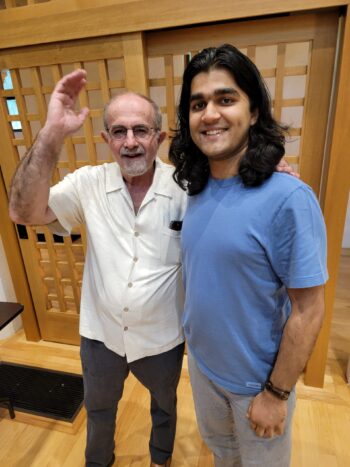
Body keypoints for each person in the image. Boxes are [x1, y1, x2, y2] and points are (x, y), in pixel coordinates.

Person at [8, 69, 187, 467]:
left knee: (165, 406)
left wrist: (273, 171)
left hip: (162, 336)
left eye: (141, 130)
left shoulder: (186, 186)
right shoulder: (88, 183)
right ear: (105, 139)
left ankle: (161, 459)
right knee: (100, 409)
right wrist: (52, 132)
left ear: (159, 137)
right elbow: (22, 212)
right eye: (118, 131)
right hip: (101, 334)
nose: (130, 142)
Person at [169, 44, 328, 467]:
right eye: (198, 103)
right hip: (204, 368)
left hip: (256, 382)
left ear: (253, 112)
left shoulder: (289, 197)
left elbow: (309, 309)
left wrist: (276, 394)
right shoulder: (197, 187)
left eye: (226, 99)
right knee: (223, 456)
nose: (210, 114)